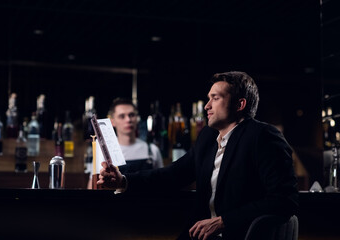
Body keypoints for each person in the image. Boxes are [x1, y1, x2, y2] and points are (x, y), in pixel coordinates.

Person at [97, 72, 298, 240]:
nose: (206, 106)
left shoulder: (264, 136)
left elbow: (284, 200)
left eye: (216, 98)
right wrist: (123, 181)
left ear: (240, 104)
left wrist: (224, 221)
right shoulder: (208, 138)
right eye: (208, 98)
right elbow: (173, 175)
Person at [88, 98, 164, 189]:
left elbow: (161, 183)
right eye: (122, 116)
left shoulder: (152, 150)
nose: (128, 120)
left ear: (137, 118)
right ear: (112, 121)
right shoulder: (104, 150)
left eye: (131, 115)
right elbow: (92, 185)